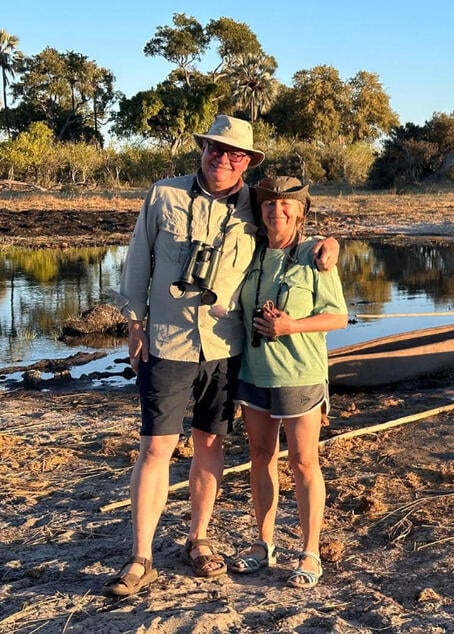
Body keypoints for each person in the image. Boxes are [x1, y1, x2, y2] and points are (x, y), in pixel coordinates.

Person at [104, 115, 340, 597]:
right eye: (217, 148)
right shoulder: (163, 194)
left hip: (225, 346)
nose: (225, 158)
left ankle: (199, 539)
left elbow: (294, 224)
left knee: (210, 444)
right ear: (203, 149)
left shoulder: (254, 203)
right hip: (168, 339)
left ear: (248, 162)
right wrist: (134, 323)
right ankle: (141, 557)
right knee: (155, 447)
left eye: (237, 154)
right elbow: (136, 258)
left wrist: (332, 244)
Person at [227, 176, 347, 588]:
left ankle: (310, 552)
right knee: (260, 457)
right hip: (253, 374)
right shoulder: (249, 252)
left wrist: (292, 325)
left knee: (302, 462)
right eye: (269, 205)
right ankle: (263, 544)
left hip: (301, 375)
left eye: (286, 205)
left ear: (300, 211)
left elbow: (338, 317)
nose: (276, 211)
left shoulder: (315, 255)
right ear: (260, 211)